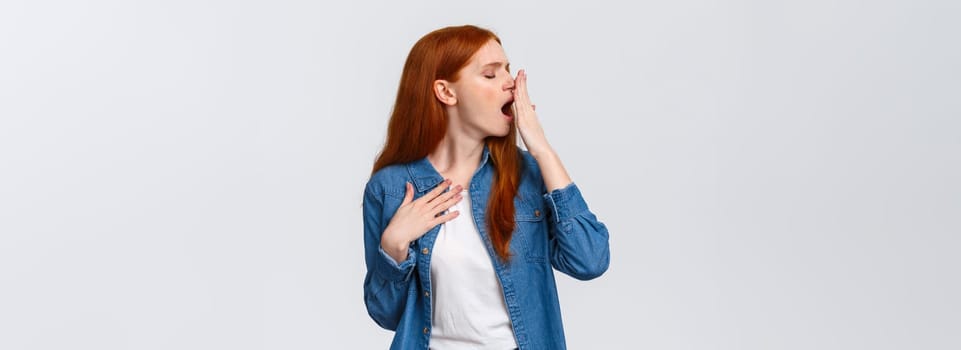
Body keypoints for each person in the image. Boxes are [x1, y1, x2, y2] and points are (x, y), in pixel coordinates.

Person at [362, 24, 610, 350]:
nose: (510, 83)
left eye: (507, 69)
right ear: (446, 92)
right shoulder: (390, 188)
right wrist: (393, 246)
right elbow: (386, 315)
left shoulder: (528, 175)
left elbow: (590, 260)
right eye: (490, 75)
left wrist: (541, 149)